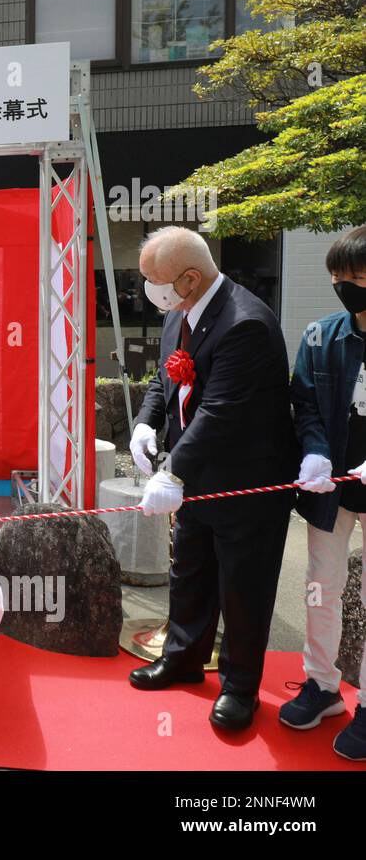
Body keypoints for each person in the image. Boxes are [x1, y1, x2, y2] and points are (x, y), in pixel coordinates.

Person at [128, 226, 297, 731]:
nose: (148, 292)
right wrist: (145, 422)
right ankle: (183, 658)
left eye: (155, 282)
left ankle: (241, 688)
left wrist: (172, 469)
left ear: (189, 278)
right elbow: (166, 377)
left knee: (243, 588)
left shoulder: (244, 323)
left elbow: (221, 412)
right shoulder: (182, 313)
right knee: (191, 572)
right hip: (198, 480)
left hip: (247, 483)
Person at [282, 224, 366, 760]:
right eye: (338, 277)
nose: (345, 286)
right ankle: (322, 684)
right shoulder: (322, 336)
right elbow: (304, 402)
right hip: (332, 488)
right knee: (320, 586)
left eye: (356, 277)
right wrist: (315, 450)